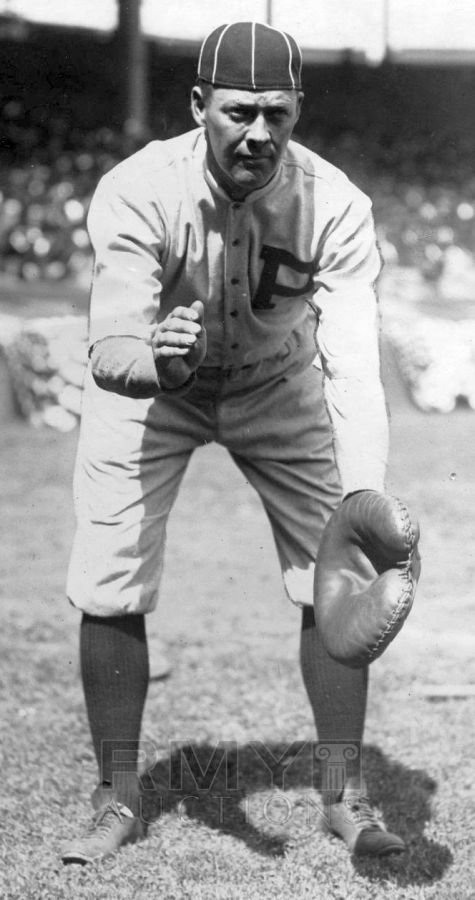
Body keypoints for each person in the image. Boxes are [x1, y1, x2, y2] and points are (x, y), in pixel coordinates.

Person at [62, 21, 404, 864]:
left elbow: (353, 363)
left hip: (275, 381)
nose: (257, 133)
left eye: (276, 113)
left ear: (298, 111)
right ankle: (115, 793)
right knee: (109, 575)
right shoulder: (140, 187)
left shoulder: (335, 202)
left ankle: (342, 792)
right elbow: (110, 347)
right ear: (198, 106)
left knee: (333, 566)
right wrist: (159, 363)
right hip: (155, 386)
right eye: (238, 112)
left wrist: (361, 501)